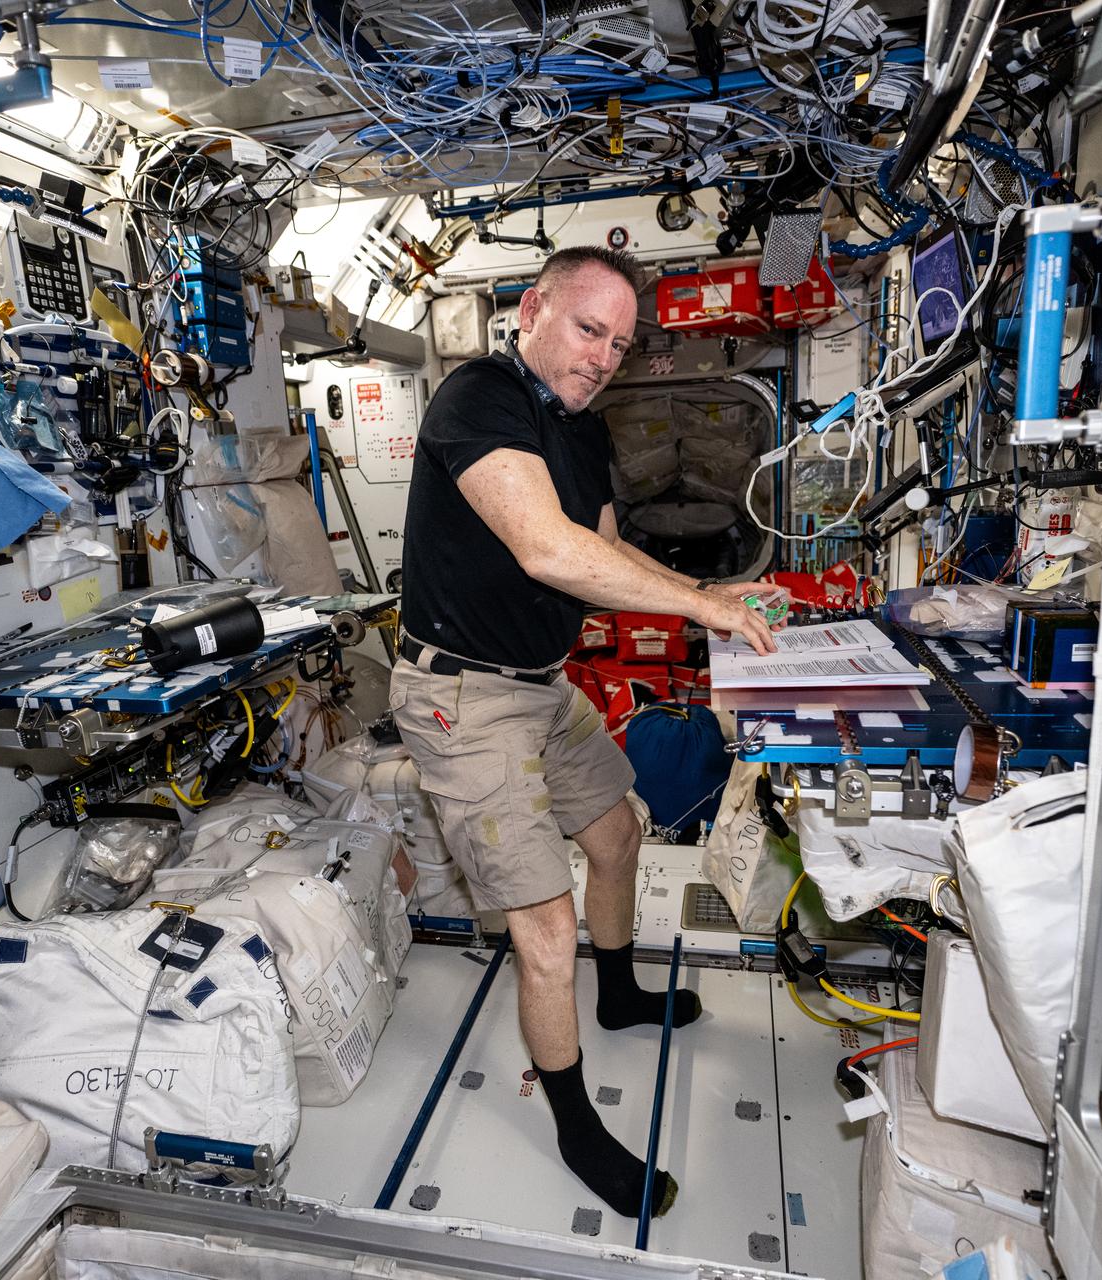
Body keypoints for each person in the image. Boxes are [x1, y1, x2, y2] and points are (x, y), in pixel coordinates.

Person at [389, 245, 782, 1220]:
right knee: (544, 921)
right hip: (463, 698)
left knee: (620, 831)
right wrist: (702, 608)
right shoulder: (478, 397)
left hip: (542, 685)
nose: (605, 354)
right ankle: (572, 1121)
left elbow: (603, 550)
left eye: (621, 341)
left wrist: (710, 591)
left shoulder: (584, 431)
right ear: (533, 309)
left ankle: (619, 994)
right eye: (587, 327)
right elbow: (545, 545)